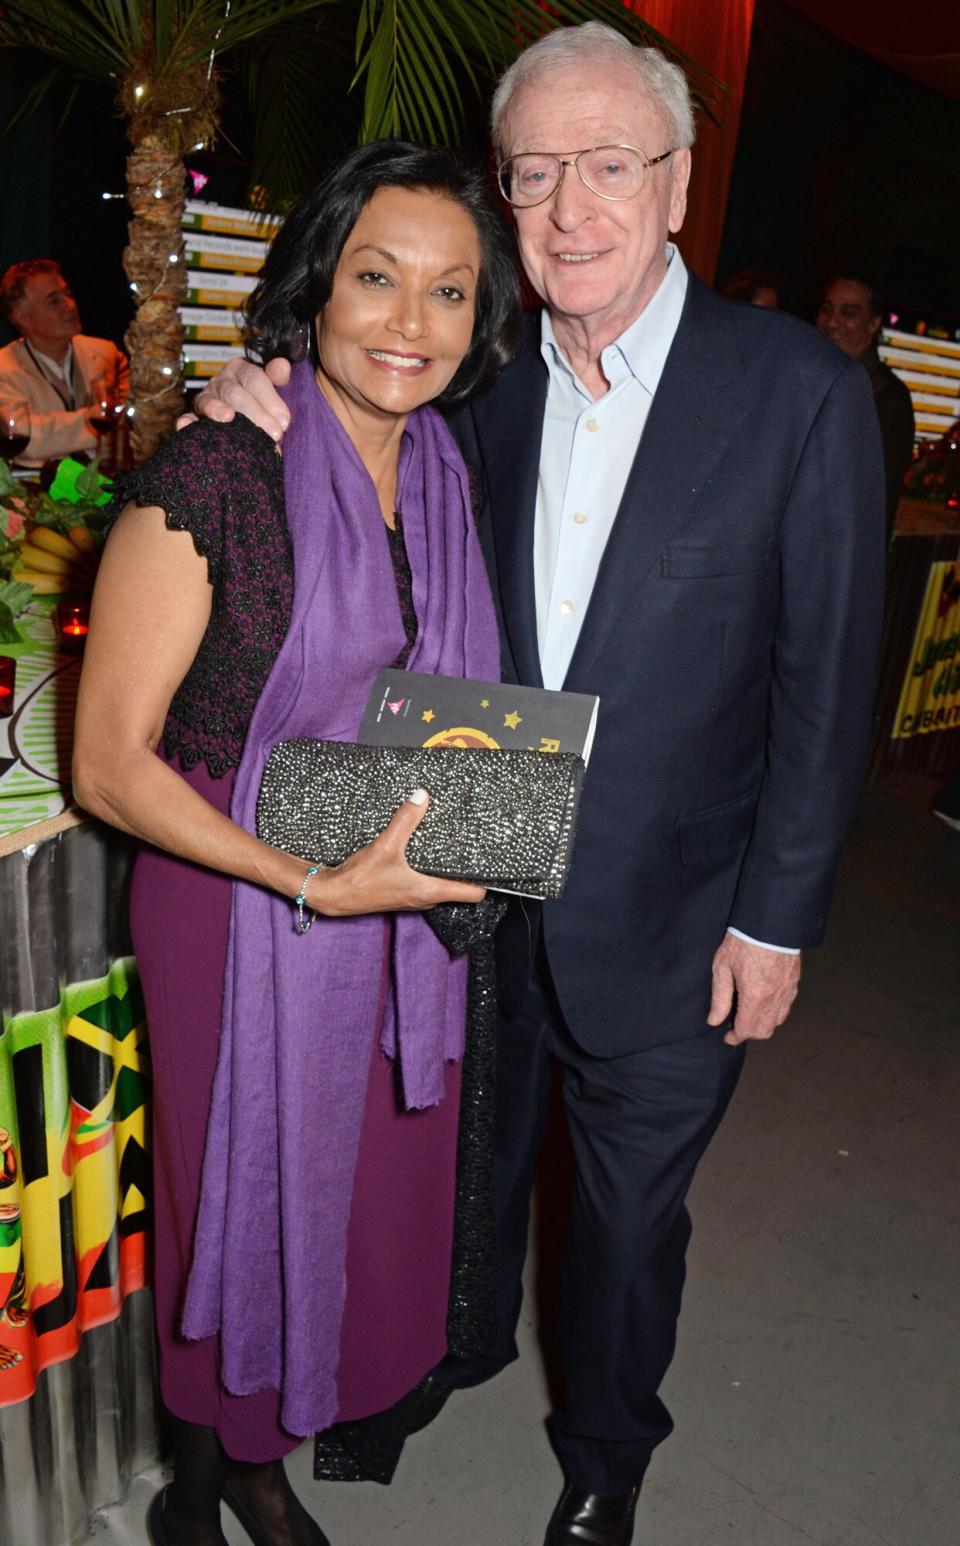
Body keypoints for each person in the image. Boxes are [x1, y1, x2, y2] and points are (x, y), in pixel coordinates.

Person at [194, 24, 887, 1546]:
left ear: (682, 179)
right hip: (484, 867)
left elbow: (827, 686)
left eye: (613, 165)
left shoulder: (797, 393)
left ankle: (609, 1452)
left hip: (684, 904)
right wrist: (251, 403)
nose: (574, 209)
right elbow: (357, 419)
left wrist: (777, 924)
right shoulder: (484, 376)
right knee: (473, 1163)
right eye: (537, 173)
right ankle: (457, 1345)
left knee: (630, 1221)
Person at [72, 140, 520, 1546]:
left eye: (449, 292)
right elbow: (103, 765)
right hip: (236, 907)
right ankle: (215, 1482)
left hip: (393, 904)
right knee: (241, 1203)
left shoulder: (447, 471)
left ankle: (264, 1452)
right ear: (317, 284)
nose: (409, 321)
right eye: (377, 277)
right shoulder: (215, 469)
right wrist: (314, 882)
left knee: (356, 1206)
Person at [0, 259, 129, 465]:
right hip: (33, 492)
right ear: (22, 317)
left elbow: (132, 418)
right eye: (54, 301)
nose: (70, 305)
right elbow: (26, 439)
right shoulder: (3, 367)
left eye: (67, 294)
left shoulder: (106, 353)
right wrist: (92, 420)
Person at [817, 274, 915, 540]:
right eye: (827, 309)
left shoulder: (887, 398)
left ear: (873, 323)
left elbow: (867, 498)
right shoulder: (811, 377)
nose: (832, 321)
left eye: (848, 312)